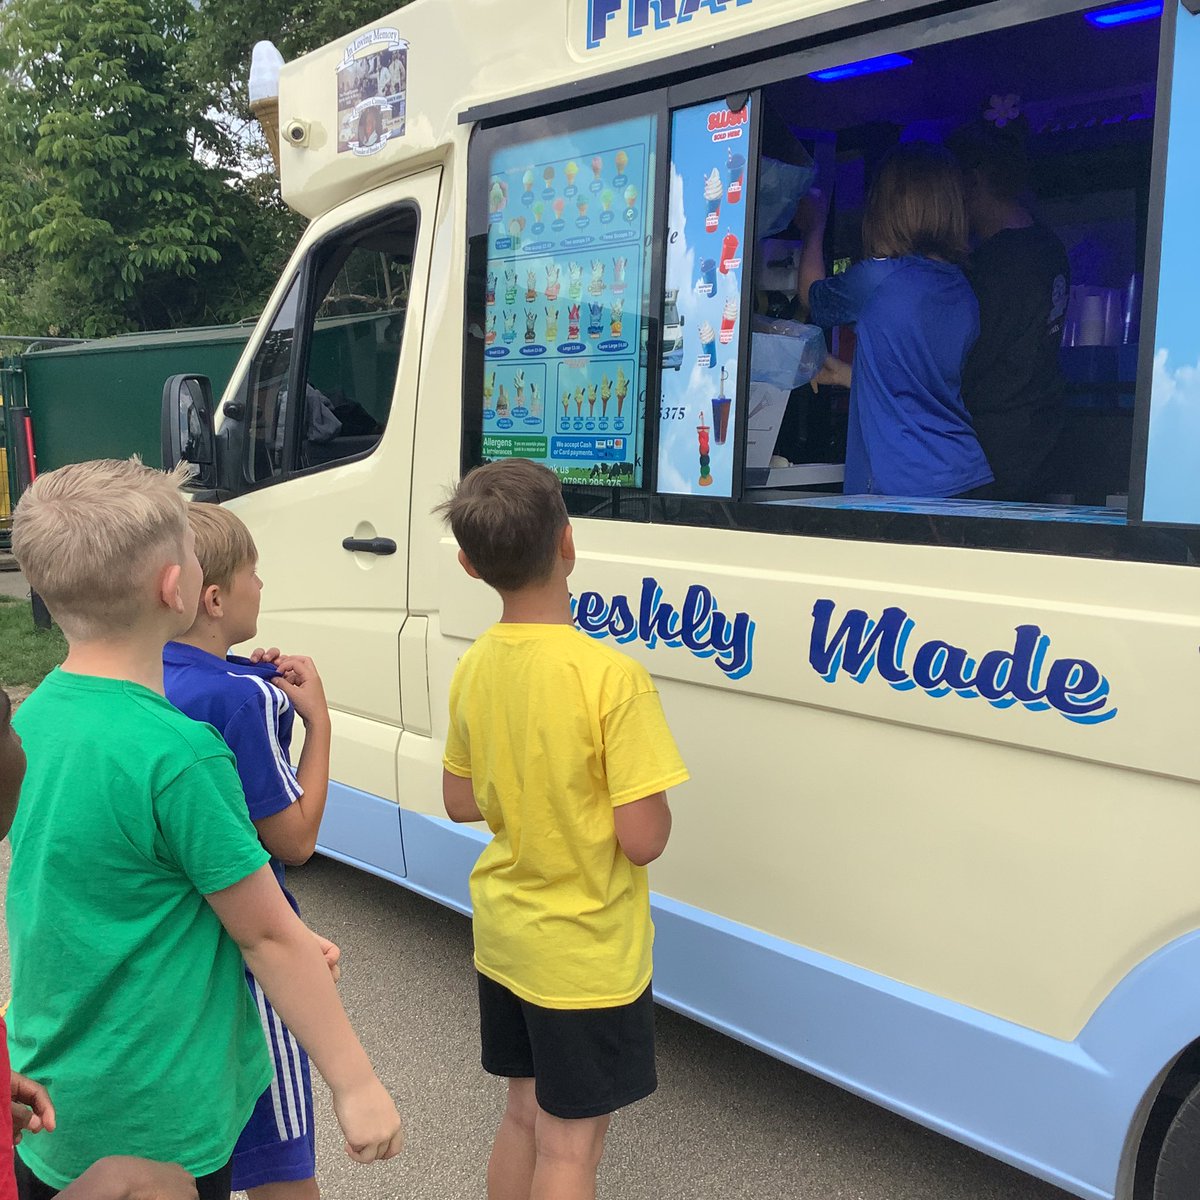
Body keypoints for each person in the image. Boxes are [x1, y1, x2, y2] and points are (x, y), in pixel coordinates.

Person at [7, 458, 403, 1199]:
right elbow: (268, 935)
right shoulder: (180, 755)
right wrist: (356, 1083)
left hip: (53, 1100)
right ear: (176, 587)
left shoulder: (34, 719)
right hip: (160, 1121)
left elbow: (100, 883)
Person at [436, 458, 690, 1200]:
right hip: (585, 954)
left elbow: (459, 800)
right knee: (572, 1150)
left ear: (469, 565)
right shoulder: (613, 678)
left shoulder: (475, 666)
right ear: (568, 543)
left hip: (508, 938)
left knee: (522, 1116)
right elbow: (642, 838)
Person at [162, 503, 332, 1200]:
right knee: (281, 1165)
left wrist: (248, 673)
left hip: (177, 948)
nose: (262, 585)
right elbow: (295, 839)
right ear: (213, 597)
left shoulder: (155, 677)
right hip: (249, 951)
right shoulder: (243, 703)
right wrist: (319, 723)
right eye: (254, 574)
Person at [1, 689, 197, 1200]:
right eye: (6, 723)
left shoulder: (48, 712)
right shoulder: (182, 752)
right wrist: (120, 1182)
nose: (20, 737)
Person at [797, 142, 994, 499]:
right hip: (962, 474)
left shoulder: (877, 279)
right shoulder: (961, 287)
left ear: (886, 208)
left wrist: (815, 227)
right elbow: (920, 385)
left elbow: (812, 296)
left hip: (903, 485)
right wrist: (845, 374)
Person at [947, 120, 1069, 502]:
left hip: (991, 454)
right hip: (1044, 441)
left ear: (973, 181)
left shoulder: (988, 267)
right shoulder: (1049, 247)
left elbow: (963, 365)